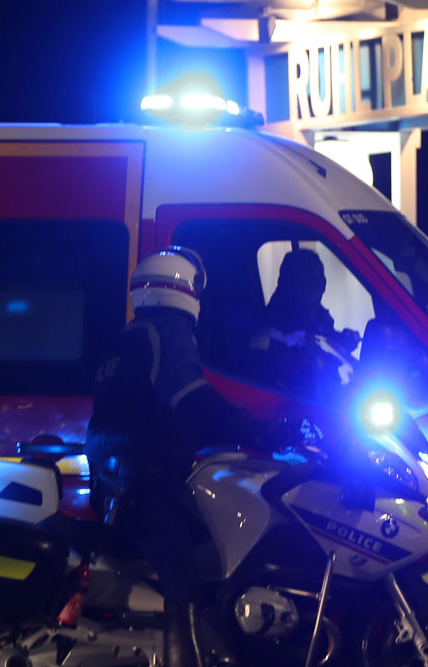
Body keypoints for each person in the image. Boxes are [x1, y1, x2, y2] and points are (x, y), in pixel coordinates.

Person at [85, 247, 264, 667]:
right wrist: (259, 427)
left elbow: (155, 411)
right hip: (141, 484)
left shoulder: (129, 336)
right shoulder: (168, 332)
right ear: (182, 287)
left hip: (120, 477)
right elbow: (192, 398)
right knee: (184, 578)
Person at [249, 248, 360, 399]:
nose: (320, 286)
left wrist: (343, 342)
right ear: (290, 285)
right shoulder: (271, 326)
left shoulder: (318, 317)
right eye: (311, 280)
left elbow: (323, 341)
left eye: (320, 279)